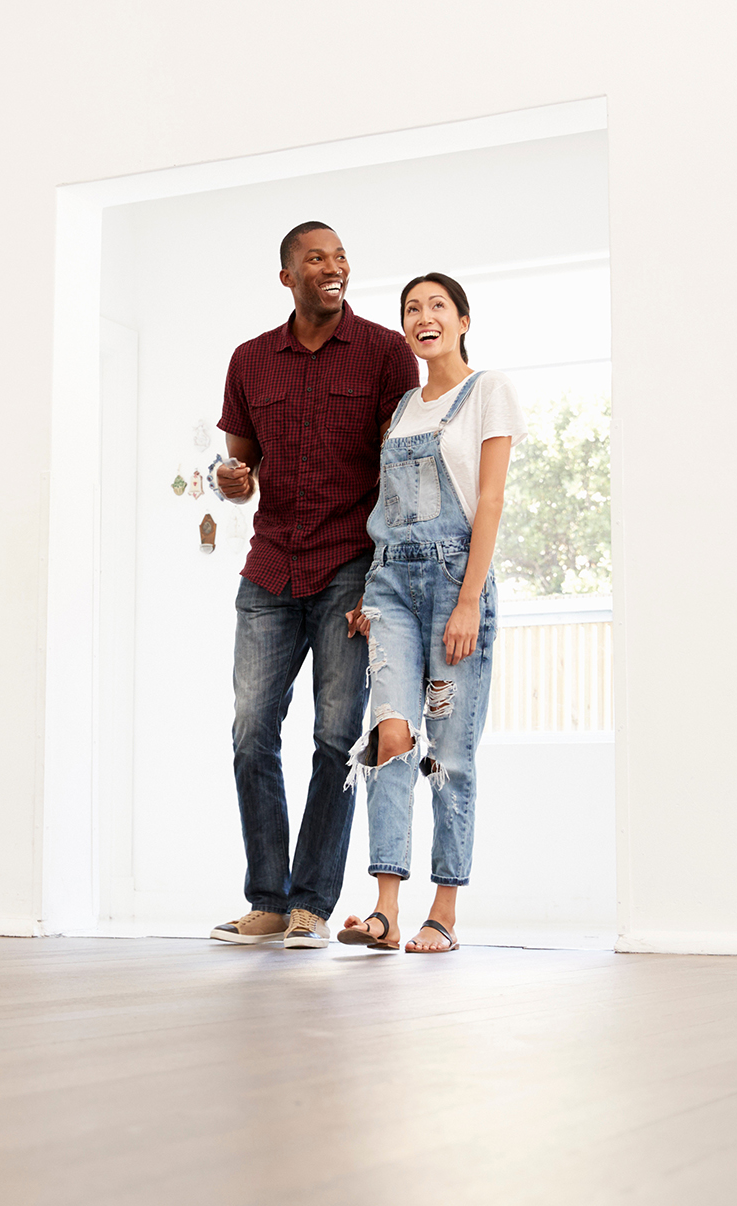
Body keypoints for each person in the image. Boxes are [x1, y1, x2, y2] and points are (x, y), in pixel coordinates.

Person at [208, 222, 420, 950]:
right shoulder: (249, 362)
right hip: (270, 567)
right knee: (250, 733)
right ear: (287, 277)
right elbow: (240, 473)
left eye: (339, 258)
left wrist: (382, 585)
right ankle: (267, 899)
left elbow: (404, 473)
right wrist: (232, 481)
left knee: (335, 736)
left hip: (349, 569)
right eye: (315, 259)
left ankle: (312, 905)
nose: (333, 268)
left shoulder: (387, 355)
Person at [338, 273, 523, 953]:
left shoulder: (489, 392)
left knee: (448, 754)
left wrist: (470, 598)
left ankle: (442, 910)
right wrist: (367, 592)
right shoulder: (403, 409)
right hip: (390, 585)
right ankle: (385, 905)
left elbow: (493, 502)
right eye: (412, 309)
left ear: (463, 320)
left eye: (436, 307)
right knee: (388, 736)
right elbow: (384, 513)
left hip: (454, 583)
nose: (424, 318)